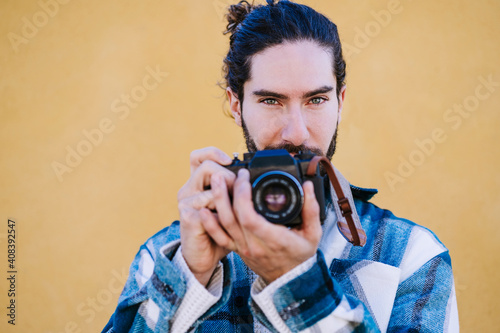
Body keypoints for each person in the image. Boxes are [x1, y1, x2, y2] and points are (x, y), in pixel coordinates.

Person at [103, 1, 459, 332]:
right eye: (271, 100)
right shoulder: (167, 253)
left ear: (340, 102)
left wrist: (295, 282)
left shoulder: (410, 255)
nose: (296, 132)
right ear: (236, 104)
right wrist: (188, 278)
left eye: (316, 100)